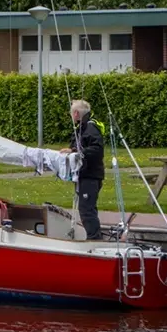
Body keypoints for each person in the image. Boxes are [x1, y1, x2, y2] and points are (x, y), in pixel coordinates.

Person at [69, 99, 105, 239]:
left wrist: (75, 151)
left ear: (76, 113)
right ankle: (95, 236)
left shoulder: (90, 128)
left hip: (90, 175)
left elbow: (97, 149)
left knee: (86, 210)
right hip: (86, 175)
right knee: (88, 208)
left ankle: (94, 238)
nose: (71, 116)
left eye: (72, 113)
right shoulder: (83, 127)